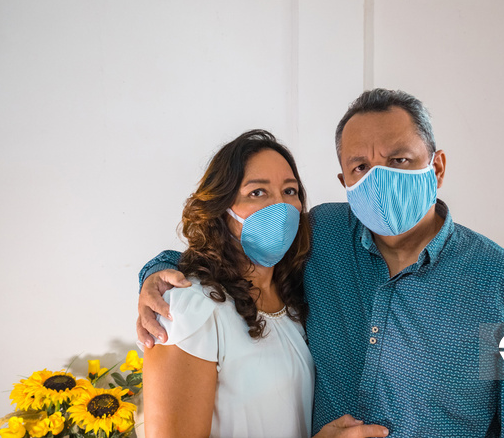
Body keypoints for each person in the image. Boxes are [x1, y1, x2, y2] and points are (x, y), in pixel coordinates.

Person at [138, 89, 504, 437]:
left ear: (437, 167)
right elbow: (232, 255)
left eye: (399, 160)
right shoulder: (322, 235)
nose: (379, 178)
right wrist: (156, 274)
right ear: (343, 180)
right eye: (361, 166)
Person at [142, 130, 358, 438]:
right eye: (257, 193)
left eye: (290, 191)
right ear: (221, 208)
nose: (280, 207)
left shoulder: (294, 298)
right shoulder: (190, 308)